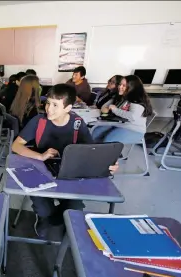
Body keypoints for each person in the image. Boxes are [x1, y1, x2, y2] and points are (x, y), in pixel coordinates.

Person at [11, 84, 119, 238]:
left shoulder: (77, 123)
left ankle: (55, 219)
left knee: (74, 207)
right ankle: (46, 218)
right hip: (41, 170)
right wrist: (40, 156)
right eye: (48, 103)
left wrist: (109, 164)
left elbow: (92, 150)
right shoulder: (38, 120)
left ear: (68, 108)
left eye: (55, 105)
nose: (49, 109)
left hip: (70, 172)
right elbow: (16, 145)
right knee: (44, 209)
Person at [93, 75, 153, 143]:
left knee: (108, 140)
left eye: (124, 85)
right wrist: (113, 99)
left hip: (134, 129)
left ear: (132, 87)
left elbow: (132, 117)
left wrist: (115, 110)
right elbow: (105, 107)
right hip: (120, 125)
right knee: (96, 133)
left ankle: (109, 153)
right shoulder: (123, 97)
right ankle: (95, 152)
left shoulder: (136, 101)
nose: (120, 87)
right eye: (120, 84)